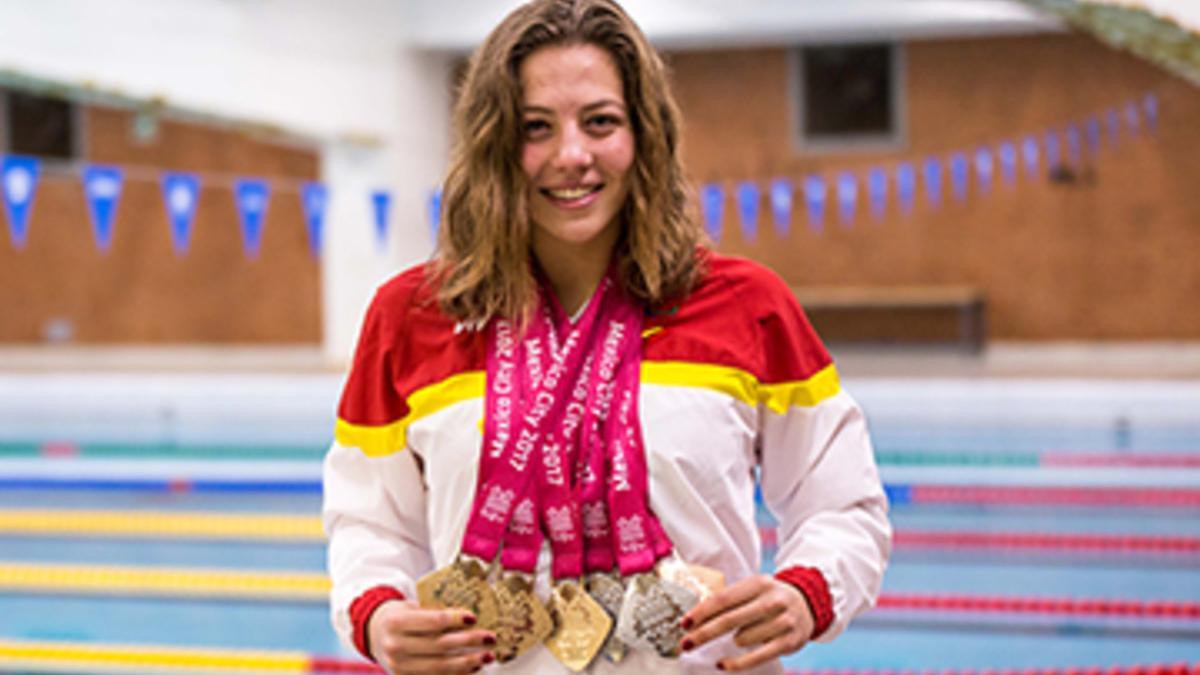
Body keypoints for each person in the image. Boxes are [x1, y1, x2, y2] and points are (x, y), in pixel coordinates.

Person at [322, 1, 890, 673]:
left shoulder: (748, 305)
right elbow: (370, 520)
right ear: (494, 142)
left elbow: (842, 503)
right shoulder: (409, 316)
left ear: (644, 135)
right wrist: (378, 613)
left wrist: (808, 592)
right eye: (535, 127)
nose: (571, 155)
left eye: (601, 122)